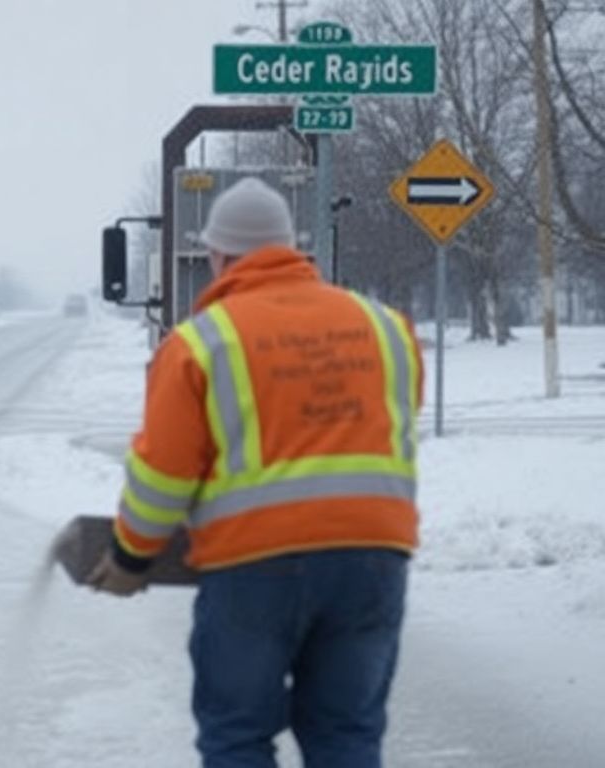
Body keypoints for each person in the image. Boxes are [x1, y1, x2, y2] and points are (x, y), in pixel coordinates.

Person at [86, 177, 423, 767]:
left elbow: (163, 475)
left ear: (218, 255)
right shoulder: (386, 327)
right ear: (294, 250)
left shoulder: (200, 343)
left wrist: (131, 556)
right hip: (373, 559)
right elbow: (394, 419)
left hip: (254, 570)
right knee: (347, 735)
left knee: (238, 737)